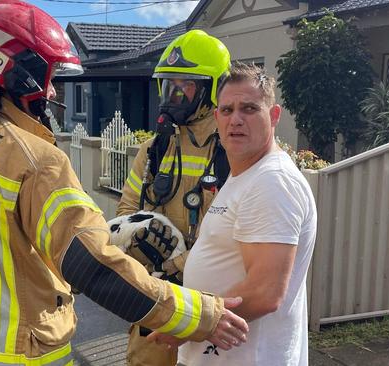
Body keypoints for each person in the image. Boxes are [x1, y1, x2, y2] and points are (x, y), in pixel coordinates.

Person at [0, 2, 248, 365]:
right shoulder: (36, 160)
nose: (50, 93)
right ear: (20, 75)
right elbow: (91, 265)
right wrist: (202, 314)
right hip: (23, 354)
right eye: (48, 77)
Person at [152, 62, 317, 365]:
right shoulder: (246, 176)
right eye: (227, 110)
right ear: (216, 118)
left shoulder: (272, 181)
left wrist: (188, 326)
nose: (236, 120)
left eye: (250, 109)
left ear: (275, 115)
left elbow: (265, 292)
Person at [116, 30, 233, 366]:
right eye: (169, 84)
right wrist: (143, 248)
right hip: (156, 295)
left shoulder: (232, 150)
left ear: (213, 88)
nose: (174, 93)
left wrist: (175, 265)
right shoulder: (154, 149)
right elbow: (127, 212)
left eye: (186, 85)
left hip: (209, 301)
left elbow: (229, 237)